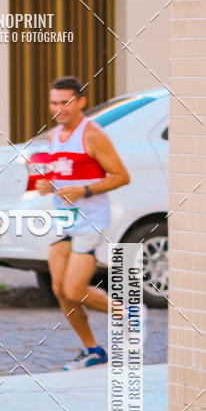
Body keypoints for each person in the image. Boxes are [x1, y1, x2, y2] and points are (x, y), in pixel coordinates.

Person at [36, 76, 130, 369]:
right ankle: (92, 349)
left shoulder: (92, 134)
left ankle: (127, 314)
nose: (59, 108)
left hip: (90, 219)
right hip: (63, 218)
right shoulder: (53, 136)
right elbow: (64, 173)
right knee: (59, 289)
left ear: (80, 102)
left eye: (65, 102)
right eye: (54, 102)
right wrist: (48, 186)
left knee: (75, 290)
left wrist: (84, 190)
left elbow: (121, 176)